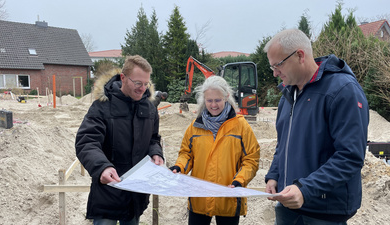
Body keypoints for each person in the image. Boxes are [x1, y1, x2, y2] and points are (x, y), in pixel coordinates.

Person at [263, 29, 369, 225]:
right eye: (272, 67)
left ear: (300, 56)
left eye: (277, 65)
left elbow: (350, 156)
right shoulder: (288, 96)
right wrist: (274, 175)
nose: (275, 73)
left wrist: (305, 189)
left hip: (324, 212)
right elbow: (283, 144)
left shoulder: (342, 91)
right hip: (288, 205)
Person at [75, 55, 164, 225]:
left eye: (146, 84)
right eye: (138, 83)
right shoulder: (102, 106)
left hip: (136, 194)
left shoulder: (150, 108)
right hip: (108, 192)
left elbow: (153, 138)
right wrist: (102, 167)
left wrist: (155, 153)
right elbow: (87, 141)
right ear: (123, 78)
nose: (142, 88)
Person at [170, 75, 260, 225]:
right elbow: (186, 154)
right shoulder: (194, 126)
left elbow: (251, 159)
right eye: (209, 100)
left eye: (217, 100)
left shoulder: (241, 126)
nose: (213, 105)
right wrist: (179, 167)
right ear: (203, 100)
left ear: (227, 97)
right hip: (199, 200)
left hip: (228, 199)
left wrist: (239, 181)